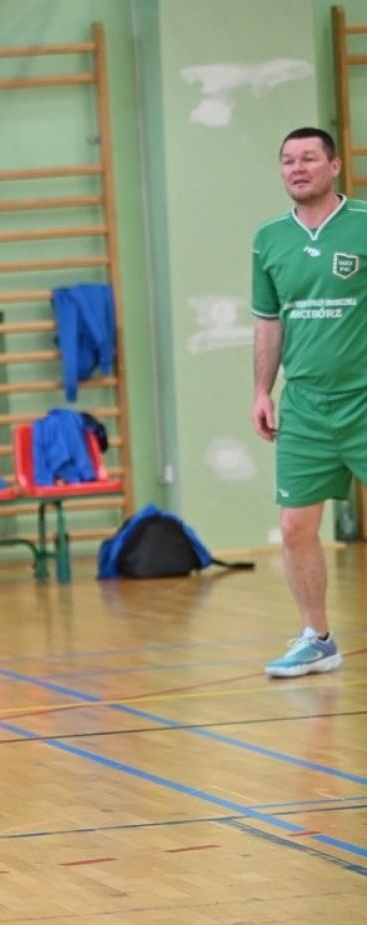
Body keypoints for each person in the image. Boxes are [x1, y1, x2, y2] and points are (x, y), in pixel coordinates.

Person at [251, 127, 367, 678]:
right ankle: (317, 639)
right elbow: (269, 320)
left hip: (364, 401)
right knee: (296, 526)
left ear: (335, 166)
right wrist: (261, 391)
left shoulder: (364, 224)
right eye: (288, 160)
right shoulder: (269, 239)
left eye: (309, 158)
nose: (297, 168)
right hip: (305, 407)